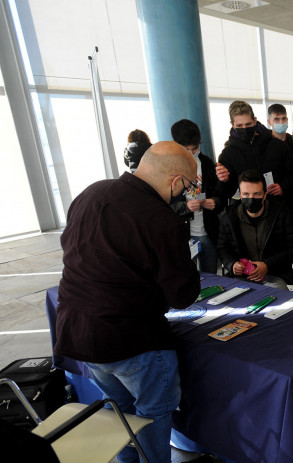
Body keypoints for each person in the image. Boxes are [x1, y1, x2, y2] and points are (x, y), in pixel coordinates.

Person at [55, 141, 201, 463]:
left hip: (79, 332)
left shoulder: (91, 193)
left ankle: (127, 461)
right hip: (131, 340)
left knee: (117, 410)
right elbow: (182, 296)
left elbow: (73, 251)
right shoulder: (160, 220)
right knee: (153, 411)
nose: (187, 193)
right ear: (176, 181)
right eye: (189, 186)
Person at [216, 170, 293, 289]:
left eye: (257, 194)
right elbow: (222, 247)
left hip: (275, 274)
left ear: (265, 195)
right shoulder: (229, 217)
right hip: (242, 277)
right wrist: (232, 264)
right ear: (240, 195)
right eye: (246, 194)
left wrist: (267, 265)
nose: (251, 198)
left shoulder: (282, 214)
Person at [215, 101, 293, 208]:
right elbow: (223, 193)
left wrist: (283, 187)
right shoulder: (227, 155)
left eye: (248, 124)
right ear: (232, 124)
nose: (245, 129)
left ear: (255, 120)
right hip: (246, 213)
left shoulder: (278, 146)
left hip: (279, 209)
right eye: (239, 125)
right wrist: (224, 180)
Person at [170, 119, 221, 274]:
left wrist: (215, 202)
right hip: (184, 234)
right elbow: (163, 204)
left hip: (209, 231)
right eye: (187, 149)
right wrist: (185, 207)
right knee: (186, 277)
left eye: (195, 148)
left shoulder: (206, 163)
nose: (192, 153)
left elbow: (218, 193)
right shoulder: (169, 167)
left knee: (212, 276)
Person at [267, 103, 293, 215]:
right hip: (271, 197)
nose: (281, 122)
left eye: (283, 118)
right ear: (269, 121)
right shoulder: (264, 143)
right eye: (276, 119)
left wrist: (285, 187)